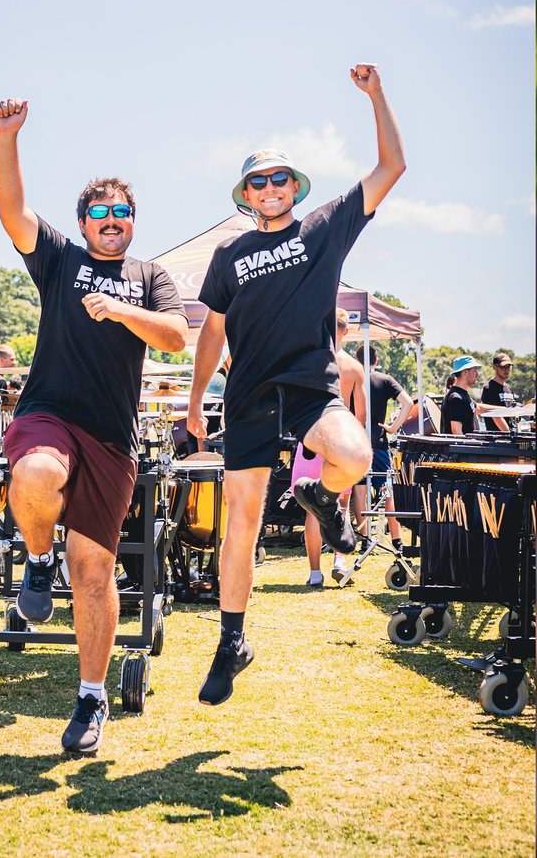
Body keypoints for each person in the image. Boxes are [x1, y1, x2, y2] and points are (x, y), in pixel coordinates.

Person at [187, 63, 405, 706]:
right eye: (259, 181)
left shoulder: (324, 228)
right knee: (242, 523)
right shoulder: (228, 256)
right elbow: (212, 333)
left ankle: (320, 495)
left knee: (356, 456)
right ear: (246, 194)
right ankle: (232, 640)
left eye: (280, 177)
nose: (271, 187)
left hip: (311, 387)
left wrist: (376, 95)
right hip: (248, 395)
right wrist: (197, 400)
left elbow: (391, 167)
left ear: (295, 187)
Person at [0, 97, 188, 755]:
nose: (112, 221)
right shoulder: (60, 261)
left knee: (94, 571)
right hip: (49, 414)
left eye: (121, 213)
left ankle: (91, 696)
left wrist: (121, 311)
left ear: (132, 223)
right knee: (36, 472)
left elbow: (176, 337)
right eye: (100, 214)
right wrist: (6, 137)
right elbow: (13, 212)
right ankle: (36, 559)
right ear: (83, 223)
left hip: (113, 438)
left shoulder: (150, 275)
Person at [299, 308, 367, 587]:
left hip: (313, 438)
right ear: (346, 331)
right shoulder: (354, 367)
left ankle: (315, 573)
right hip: (341, 440)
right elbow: (361, 415)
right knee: (340, 504)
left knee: (313, 508)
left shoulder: (311, 360)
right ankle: (340, 562)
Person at [352, 345, 414, 561]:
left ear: (357, 360)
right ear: (376, 361)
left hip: (356, 442)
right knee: (387, 492)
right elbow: (408, 403)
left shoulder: (353, 378)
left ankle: (364, 538)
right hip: (378, 442)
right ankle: (397, 540)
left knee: (360, 491)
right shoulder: (385, 380)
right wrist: (393, 427)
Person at [440, 355, 488, 435]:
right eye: (475, 370)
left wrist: (504, 410)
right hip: (461, 443)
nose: (477, 374)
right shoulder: (456, 398)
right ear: (465, 372)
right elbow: (456, 431)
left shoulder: (463, 395)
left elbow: (478, 408)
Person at [481, 353, 515, 433]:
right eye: (503, 367)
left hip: (511, 435)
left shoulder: (509, 388)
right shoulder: (489, 387)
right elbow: (495, 415)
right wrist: (508, 433)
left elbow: (514, 413)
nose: (506, 370)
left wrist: (518, 434)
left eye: (508, 367)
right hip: (497, 437)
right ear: (494, 367)